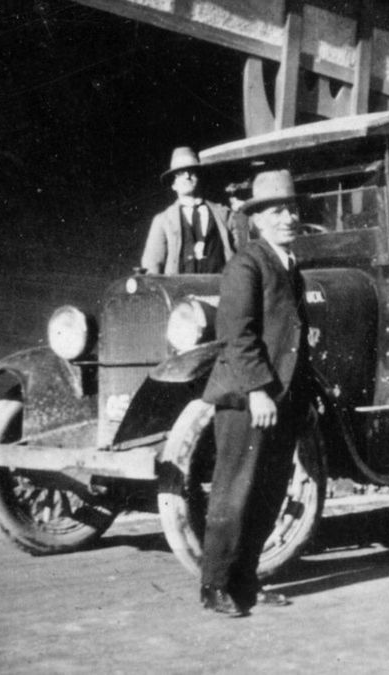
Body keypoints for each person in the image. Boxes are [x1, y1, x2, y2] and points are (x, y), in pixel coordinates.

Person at [199, 169, 314, 617]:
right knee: (234, 492)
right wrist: (259, 393)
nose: (287, 218)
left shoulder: (289, 266)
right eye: (276, 211)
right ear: (258, 220)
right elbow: (237, 335)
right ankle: (214, 586)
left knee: (268, 492)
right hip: (249, 400)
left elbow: (293, 337)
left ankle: (245, 582)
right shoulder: (246, 264)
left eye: (292, 209)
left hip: (282, 400)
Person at [141, 146, 238, 275]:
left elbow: (242, 256)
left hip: (221, 289)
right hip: (180, 292)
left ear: (199, 177)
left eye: (191, 171)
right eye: (180, 173)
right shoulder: (163, 221)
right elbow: (151, 266)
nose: (187, 176)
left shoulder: (224, 214)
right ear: (173, 184)